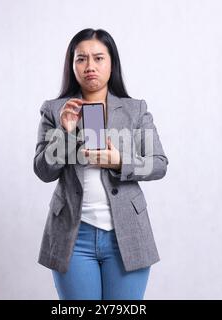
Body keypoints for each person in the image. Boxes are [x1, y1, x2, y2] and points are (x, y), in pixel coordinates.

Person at [33, 28, 168, 300]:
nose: (90, 66)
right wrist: (66, 132)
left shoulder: (135, 109)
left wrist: (120, 162)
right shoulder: (54, 109)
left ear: (112, 63)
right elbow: (43, 171)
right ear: (72, 66)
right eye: (81, 59)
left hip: (126, 234)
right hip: (73, 235)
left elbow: (159, 164)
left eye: (98, 58)